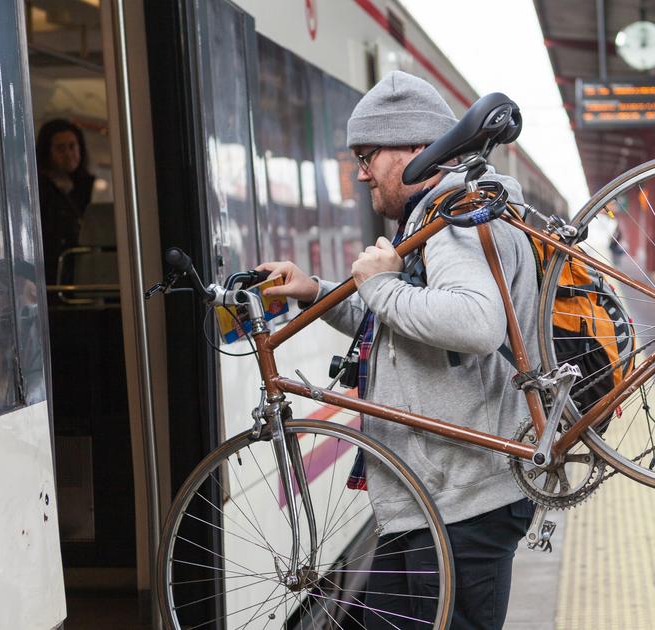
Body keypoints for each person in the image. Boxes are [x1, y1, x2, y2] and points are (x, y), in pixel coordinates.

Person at [258, 71, 538, 629]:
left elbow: (476, 323)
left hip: (461, 503)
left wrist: (381, 284)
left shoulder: (455, 218)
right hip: (429, 498)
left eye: (367, 155)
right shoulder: (436, 215)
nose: (361, 173)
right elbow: (402, 325)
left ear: (415, 150)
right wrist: (317, 292)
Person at [36, 118, 97, 285]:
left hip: (85, 269)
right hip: (53, 272)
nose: (69, 154)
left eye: (72, 146)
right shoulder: (39, 189)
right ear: (47, 152)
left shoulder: (89, 185)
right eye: (60, 148)